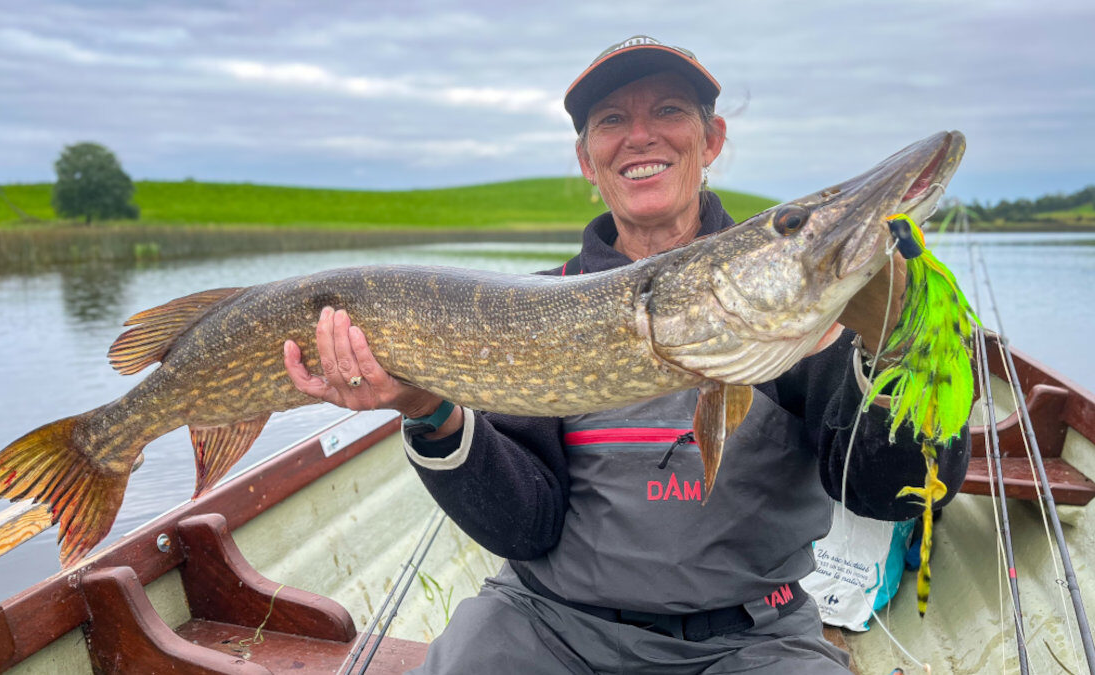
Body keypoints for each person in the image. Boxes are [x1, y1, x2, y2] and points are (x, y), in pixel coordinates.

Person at [283, 35, 968, 674]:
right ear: (588, 159)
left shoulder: (807, 315)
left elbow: (887, 494)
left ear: (712, 138)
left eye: (668, 110)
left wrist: (899, 350)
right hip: (550, 623)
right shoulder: (539, 307)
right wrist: (427, 409)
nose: (640, 136)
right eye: (612, 120)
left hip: (750, 639)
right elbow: (525, 525)